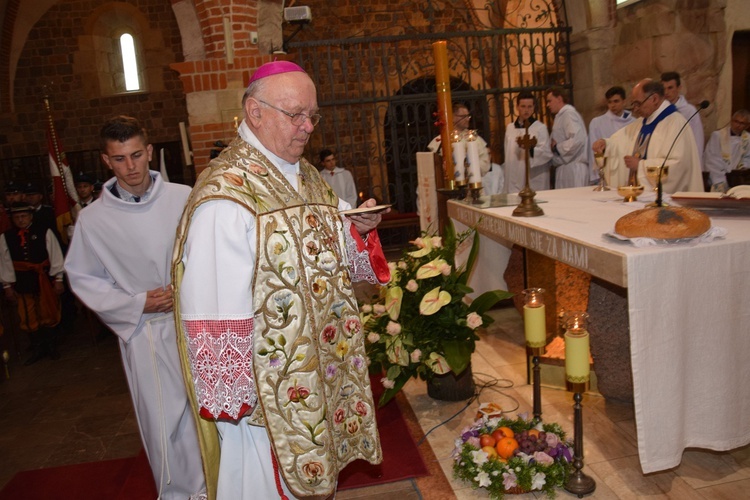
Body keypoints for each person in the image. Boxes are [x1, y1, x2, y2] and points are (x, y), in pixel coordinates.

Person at [172, 60, 390, 500]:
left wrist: (357, 229)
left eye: (313, 116)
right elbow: (213, 303)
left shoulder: (308, 177)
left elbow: (333, 260)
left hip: (317, 371)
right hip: (267, 397)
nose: (308, 127)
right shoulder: (227, 195)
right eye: (296, 115)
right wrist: (235, 398)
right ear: (254, 112)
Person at [64, 116, 206, 499]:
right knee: (164, 422)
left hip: (194, 324)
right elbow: (83, 278)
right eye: (120, 158)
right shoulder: (92, 220)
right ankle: (181, 494)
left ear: (151, 152)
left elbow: (209, 251)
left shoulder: (184, 196)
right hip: (145, 332)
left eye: (137, 155)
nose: (131, 166)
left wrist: (189, 288)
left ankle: (221, 486)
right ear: (106, 162)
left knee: (210, 412)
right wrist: (135, 303)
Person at [592, 79, 704, 193]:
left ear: (654, 99)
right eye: (634, 104)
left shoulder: (675, 123)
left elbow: (679, 167)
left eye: (638, 103)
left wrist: (641, 166)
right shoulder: (642, 122)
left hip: (668, 202)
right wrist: (606, 144)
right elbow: (619, 142)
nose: (635, 109)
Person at [0, 202, 64, 364]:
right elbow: (4, 262)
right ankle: (37, 347)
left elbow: (55, 255)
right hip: (23, 282)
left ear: (30, 216)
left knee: (47, 311)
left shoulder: (44, 231)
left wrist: (58, 278)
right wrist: (7, 286)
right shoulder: (6, 237)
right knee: (27, 314)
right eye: (17, 217)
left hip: (43, 279)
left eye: (24, 216)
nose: (20, 220)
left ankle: (51, 345)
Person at [503, 91, 553, 193]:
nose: (526, 110)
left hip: (533, 176)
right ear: (517, 107)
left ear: (534, 107)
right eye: (523, 106)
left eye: (530, 106)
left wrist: (530, 149)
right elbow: (507, 154)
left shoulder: (540, 128)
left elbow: (546, 153)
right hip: (513, 174)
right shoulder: (510, 128)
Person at [427, 102, 490, 179]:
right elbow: (433, 166)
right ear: (452, 117)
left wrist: (468, 168)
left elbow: (485, 163)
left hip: (472, 183)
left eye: (468, 116)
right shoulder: (440, 140)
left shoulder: (475, 139)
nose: (467, 119)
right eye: (463, 116)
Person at [587, 86, 635, 184]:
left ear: (624, 101)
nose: (612, 105)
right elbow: (593, 151)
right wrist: (596, 176)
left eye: (616, 101)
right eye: (610, 102)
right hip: (608, 171)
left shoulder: (634, 122)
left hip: (628, 169)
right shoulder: (597, 123)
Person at [546, 87, 589, 188]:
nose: (547, 105)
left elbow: (577, 139)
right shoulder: (561, 116)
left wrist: (557, 147)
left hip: (574, 169)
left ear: (559, 99)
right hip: (566, 168)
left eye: (549, 101)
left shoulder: (569, 114)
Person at [661, 71, 705, 163]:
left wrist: (696, 163)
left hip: (684, 158)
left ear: (679, 88)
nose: (666, 92)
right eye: (664, 88)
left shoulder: (689, 111)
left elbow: (697, 139)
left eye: (670, 88)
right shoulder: (659, 110)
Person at [704, 109, 750, 192]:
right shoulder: (718, 136)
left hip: (737, 176)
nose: (738, 125)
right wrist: (723, 174)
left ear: (747, 126)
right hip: (719, 174)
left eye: (742, 123)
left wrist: (743, 167)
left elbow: (747, 157)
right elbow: (712, 158)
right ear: (731, 121)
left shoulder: (748, 139)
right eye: (736, 121)